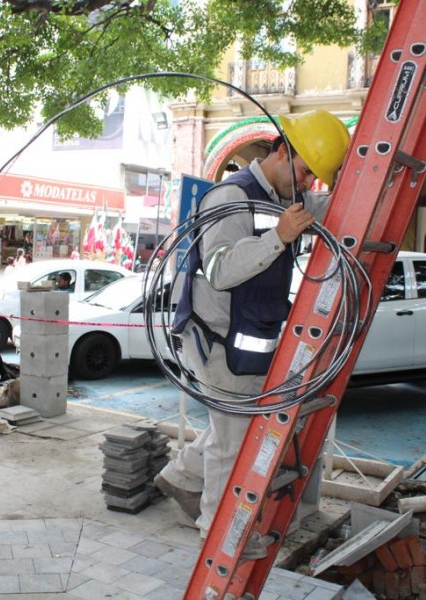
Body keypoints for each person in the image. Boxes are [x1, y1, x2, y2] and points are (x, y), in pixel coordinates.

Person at [155, 110, 350, 544]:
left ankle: (181, 476)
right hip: (215, 337)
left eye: (314, 179)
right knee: (235, 439)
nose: (307, 186)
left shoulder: (282, 197)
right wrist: (277, 237)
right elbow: (221, 270)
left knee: (232, 423)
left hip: (244, 335)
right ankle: (217, 536)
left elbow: (326, 208)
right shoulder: (230, 198)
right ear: (282, 151)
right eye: (303, 172)